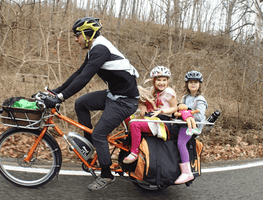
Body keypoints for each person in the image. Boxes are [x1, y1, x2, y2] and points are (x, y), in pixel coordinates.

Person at [43, 17, 140, 191]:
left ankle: (106, 175)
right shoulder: (96, 48)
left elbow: (84, 78)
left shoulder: (101, 49)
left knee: (100, 135)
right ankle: (89, 149)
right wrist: (55, 92)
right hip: (114, 95)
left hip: (125, 102)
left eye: (77, 35)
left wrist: (61, 98)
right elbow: (78, 73)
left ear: (88, 34)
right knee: (81, 103)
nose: (75, 39)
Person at [123, 66, 178, 164]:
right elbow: (147, 100)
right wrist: (143, 105)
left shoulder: (169, 93)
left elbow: (174, 108)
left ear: (168, 81)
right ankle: (132, 142)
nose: (161, 83)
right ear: (154, 81)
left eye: (164, 80)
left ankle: (134, 152)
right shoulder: (154, 89)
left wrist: (162, 112)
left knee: (135, 124)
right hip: (151, 117)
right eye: (159, 80)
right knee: (127, 118)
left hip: (162, 121)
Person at [174, 70, 208, 184]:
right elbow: (179, 108)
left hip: (193, 127)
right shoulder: (185, 97)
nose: (193, 84)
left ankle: (186, 172)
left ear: (200, 85)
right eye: (190, 82)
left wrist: (186, 112)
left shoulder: (200, 100)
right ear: (187, 84)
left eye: (196, 82)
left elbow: (199, 116)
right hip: (183, 123)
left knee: (181, 143)